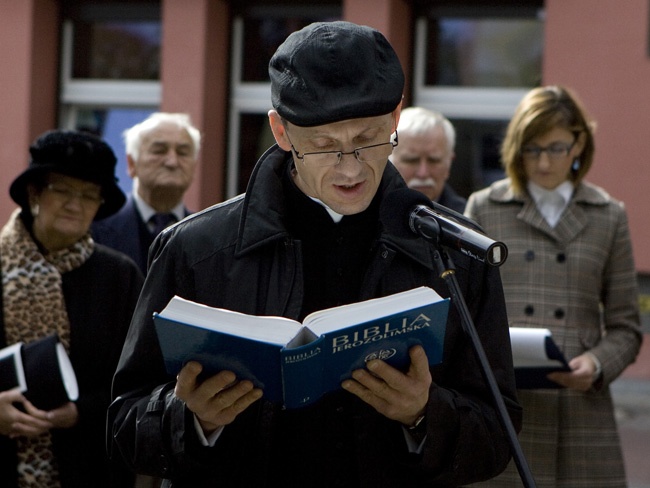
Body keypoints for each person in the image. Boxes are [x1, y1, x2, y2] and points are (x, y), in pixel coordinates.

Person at [108, 21, 521, 488]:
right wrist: (191, 420)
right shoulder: (197, 248)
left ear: (396, 118)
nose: (350, 168)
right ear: (281, 131)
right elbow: (124, 426)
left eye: (369, 138)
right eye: (324, 147)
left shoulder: (455, 251)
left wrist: (424, 414)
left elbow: (497, 434)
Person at [464, 85, 642, 487]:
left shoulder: (608, 215)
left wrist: (595, 364)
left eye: (556, 148)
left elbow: (626, 327)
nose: (544, 162)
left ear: (579, 143)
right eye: (532, 149)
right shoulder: (484, 207)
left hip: (578, 413)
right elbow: (467, 313)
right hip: (506, 409)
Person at [0, 130, 144, 487]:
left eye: (88, 195)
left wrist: (80, 412)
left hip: (90, 466)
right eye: (62, 190)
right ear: (34, 194)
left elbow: (138, 376)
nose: (74, 204)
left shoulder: (119, 275)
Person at [92, 112, 201, 274]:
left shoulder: (207, 235)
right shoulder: (96, 231)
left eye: (183, 153)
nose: (172, 162)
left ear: (194, 166)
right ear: (131, 164)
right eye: (159, 151)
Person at [390, 106, 466, 213]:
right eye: (411, 160)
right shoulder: (364, 216)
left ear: (449, 163)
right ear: (388, 161)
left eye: (434, 160)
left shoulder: (468, 220)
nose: (423, 173)